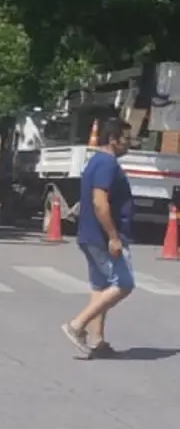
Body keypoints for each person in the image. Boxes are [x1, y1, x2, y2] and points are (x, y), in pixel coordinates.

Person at [61, 119, 135, 359]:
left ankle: (98, 341)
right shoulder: (107, 163)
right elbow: (99, 202)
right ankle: (76, 325)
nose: (130, 143)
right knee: (124, 284)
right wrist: (113, 237)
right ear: (113, 139)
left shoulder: (96, 161)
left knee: (100, 287)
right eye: (126, 138)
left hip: (89, 235)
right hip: (102, 237)